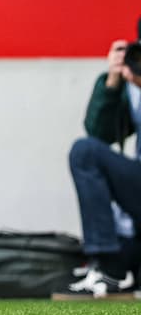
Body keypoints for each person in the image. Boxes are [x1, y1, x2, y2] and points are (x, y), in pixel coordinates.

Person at [52, 19, 141, 300]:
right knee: (85, 151)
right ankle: (109, 267)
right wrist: (112, 84)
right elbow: (99, 133)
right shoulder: (132, 81)